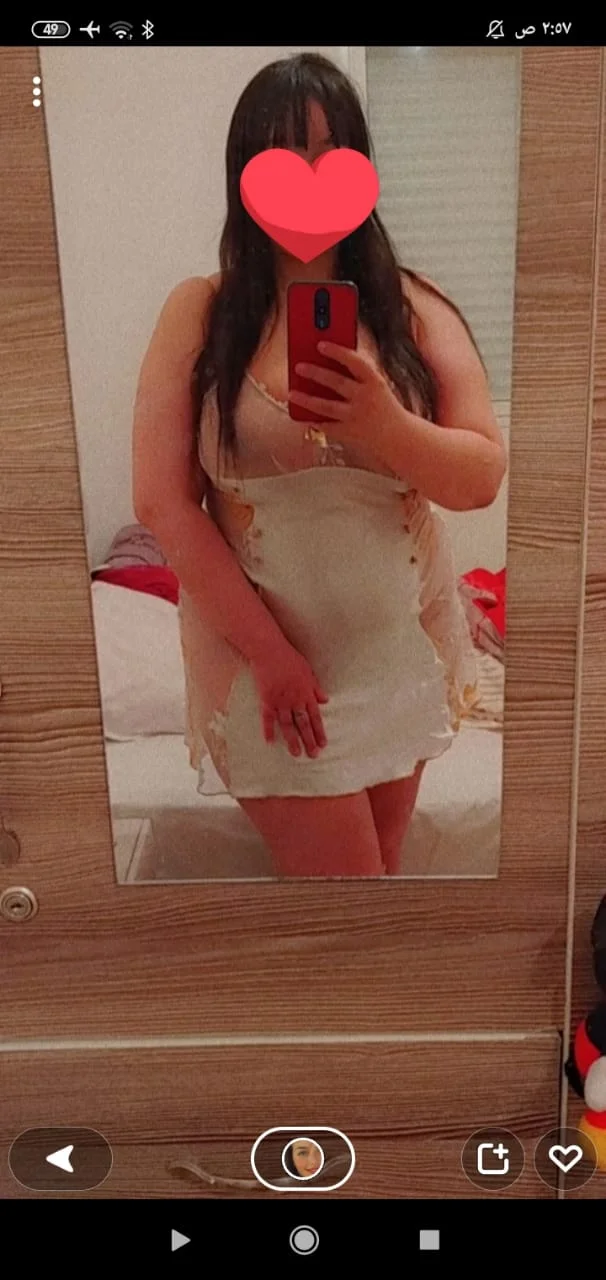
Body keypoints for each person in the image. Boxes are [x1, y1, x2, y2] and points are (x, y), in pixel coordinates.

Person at [133, 52, 507, 878]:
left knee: (373, 889)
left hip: (397, 651)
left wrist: (383, 423)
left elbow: (479, 477)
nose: (307, 173)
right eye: (283, 154)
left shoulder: (412, 307)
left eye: (328, 153)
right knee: (352, 896)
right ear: (244, 173)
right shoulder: (201, 312)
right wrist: (270, 656)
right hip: (264, 666)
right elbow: (162, 503)